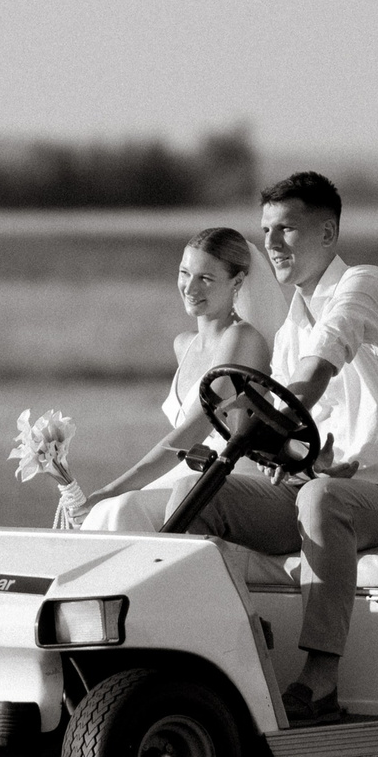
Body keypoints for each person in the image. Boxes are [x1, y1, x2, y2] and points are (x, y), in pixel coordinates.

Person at [172, 172, 378, 723]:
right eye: (266, 230)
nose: (270, 245)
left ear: (327, 233)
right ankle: (234, 639)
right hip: (313, 489)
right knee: (194, 496)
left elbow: (316, 371)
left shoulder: (364, 285)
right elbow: (305, 437)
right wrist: (285, 455)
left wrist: (278, 432)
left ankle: (320, 682)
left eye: (286, 230)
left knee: (322, 499)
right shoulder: (291, 322)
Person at [77, 227, 273, 532]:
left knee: (123, 506)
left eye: (205, 278)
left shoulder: (242, 339)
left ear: (237, 281)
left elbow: (196, 427)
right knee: (108, 509)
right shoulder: (184, 344)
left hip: (230, 475)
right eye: (185, 273)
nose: (190, 287)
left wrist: (115, 486)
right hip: (189, 471)